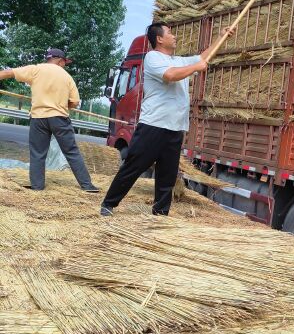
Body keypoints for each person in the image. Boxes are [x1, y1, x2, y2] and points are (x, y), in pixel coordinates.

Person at [100, 22, 234, 217]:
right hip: (153, 125)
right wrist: (196, 66)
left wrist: (221, 38)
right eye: (170, 33)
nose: (174, 36)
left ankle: (161, 213)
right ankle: (108, 204)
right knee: (133, 166)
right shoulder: (152, 58)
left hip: (175, 127)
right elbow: (170, 75)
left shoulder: (177, 60)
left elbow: (203, 57)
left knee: (167, 175)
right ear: (159, 39)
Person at [0, 48, 99, 192]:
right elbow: (75, 102)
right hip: (59, 118)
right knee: (71, 151)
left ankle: (37, 186)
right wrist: (62, 104)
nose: (65, 65)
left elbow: (8, 72)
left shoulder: (35, 69)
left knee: (38, 153)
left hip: (38, 117)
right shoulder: (66, 77)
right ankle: (87, 185)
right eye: (65, 62)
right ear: (60, 60)